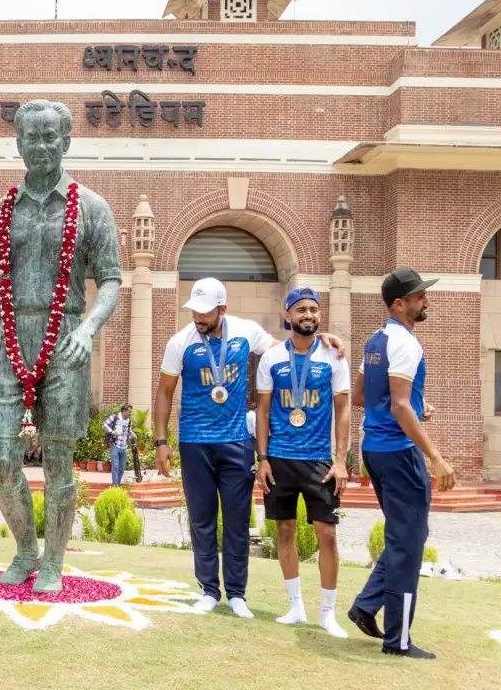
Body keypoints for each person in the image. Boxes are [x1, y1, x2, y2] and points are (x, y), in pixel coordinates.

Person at [154, 277, 342, 619]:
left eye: (205, 311)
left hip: (236, 440)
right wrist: (161, 441)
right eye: (194, 309)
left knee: (238, 520)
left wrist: (322, 339)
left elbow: (287, 348)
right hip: (194, 441)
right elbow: (165, 391)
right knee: (201, 519)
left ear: (222, 308)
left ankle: (237, 594)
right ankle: (209, 590)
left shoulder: (246, 331)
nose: (198, 316)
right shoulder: (180, 342)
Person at [347, 268, 455, 659]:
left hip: (375, 450)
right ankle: (397, 641)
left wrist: (412, 406)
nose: (426, 301)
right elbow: (397, 403)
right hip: (397, 452)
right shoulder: (407, 343)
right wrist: (436, 457)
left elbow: (362, 396)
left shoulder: (375, 341)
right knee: (408, 545)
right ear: (400, 303)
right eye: (419, 296)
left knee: (405, 538)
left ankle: (365, 605)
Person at [255, 288, 350, 638]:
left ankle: (328, 612)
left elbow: (342, 411)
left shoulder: (333, 356)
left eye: (313, 310)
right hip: (279, 459)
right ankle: (295, 606)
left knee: (327, 534)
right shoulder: (272, 357)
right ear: (287, 316)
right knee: (284, 531)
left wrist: (341, 461)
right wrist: (262, 458)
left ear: (320, 316)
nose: (308, 315)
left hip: (318, 460)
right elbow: (263, 411)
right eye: (300, 310)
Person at [103, 404, 133, 486]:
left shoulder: (129, 421)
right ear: (124, 411)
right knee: (115, 466)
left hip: (124, 447)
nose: (130, 414)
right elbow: (104, 424)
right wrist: (112, 431)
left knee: (122, 468)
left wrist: (133, 435)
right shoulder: (115, 417)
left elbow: (129, 431)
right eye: (129, 412)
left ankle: (118, 483)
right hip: (115, 445)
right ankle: (115, 485)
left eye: (130, 412)